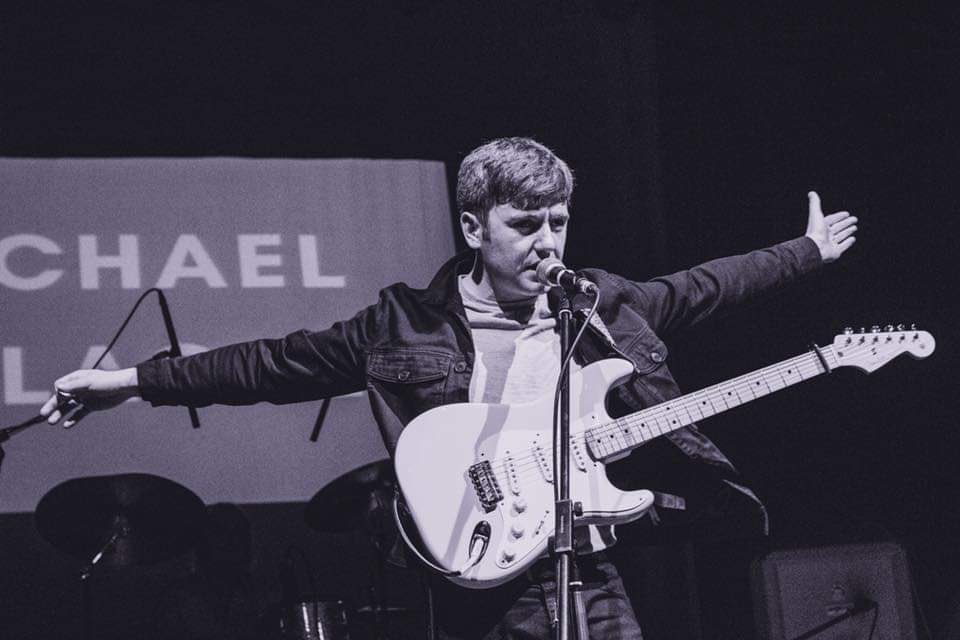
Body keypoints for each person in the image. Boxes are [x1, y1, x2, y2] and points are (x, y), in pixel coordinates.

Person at [42, 137, 857, 639]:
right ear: (473, 227)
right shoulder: (405, 325)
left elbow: (710, 284)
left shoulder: (600, 303)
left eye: (560, 221)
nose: (548, 243)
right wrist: (128, 382)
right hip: (477, 562)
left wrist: (807, 252)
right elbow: (269, 364)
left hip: (588, 558)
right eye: (525, 225)